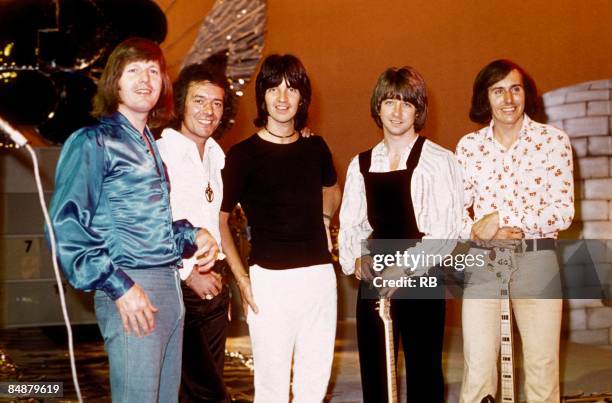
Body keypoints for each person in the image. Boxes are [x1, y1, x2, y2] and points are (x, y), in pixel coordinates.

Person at [48, 38, 218, 403]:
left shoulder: (150, 145)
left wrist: (193, 235)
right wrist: (119, 287)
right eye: (134, 69)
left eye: (154, 70)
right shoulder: (93, 140)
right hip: (132, 287)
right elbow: (66, 224)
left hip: (170, 289)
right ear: (115, 81)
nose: (146, 78)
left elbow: (148, 230)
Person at [219, 54, 341, 403]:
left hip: (319, 277)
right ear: (263, 96)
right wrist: (242, 280)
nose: (283, 97)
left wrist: (325, 219)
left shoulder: (315, 146)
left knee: (313, 384)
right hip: (269, 282)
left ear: (303, 97)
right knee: (271, 387)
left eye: (292, 89)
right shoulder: (243, 155)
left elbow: (332, 188)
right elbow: (220, 218)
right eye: (274, 88)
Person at [339, 66, 464, 402]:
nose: (397, 112)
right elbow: (352, 223)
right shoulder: (360, 164)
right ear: (377, 106)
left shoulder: (440, 161)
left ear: (418, 110)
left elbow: (446, 232)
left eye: (407, 104)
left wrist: (403, 269)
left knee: (424, 369)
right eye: (390, 102)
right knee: (376, 369)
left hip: (423, 275)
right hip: (376, 275)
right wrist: (358, 257)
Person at [456, 59, 574, 403]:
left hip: (537, 261)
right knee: (477, 366)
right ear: (485, 98)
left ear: (527, 94)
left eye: (515, 88)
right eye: (498, 90)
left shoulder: (553, 141)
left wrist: (502, 217)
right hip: (483, 263)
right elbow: (456, 216)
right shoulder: (468, 147)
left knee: (541, 364)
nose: (508, 99)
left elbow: (563, 212)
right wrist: (480, 233)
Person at [157, 62, 246, 402]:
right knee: (206, 390)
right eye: (199, 100)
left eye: (217, 103)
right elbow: (153, 222)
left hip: (215, 287)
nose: (209, 111)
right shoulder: (161, 152)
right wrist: (189, 273)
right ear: (180, 103)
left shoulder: (216, 156)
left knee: (194, 390)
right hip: (178, 285)